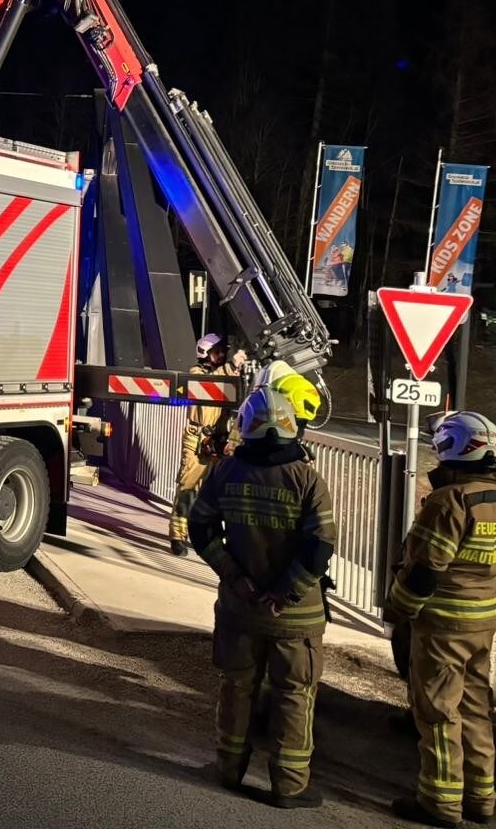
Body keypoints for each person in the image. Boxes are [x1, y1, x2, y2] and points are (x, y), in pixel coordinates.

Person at [189, 386, 337, 808]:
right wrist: (284, 593)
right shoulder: (307, 479)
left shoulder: (225, 472)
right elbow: (320, 545)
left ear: (244, 428)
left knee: (236, 686)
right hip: (295, 617)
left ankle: (228, 770)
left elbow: (201, 531)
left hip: (239, 609)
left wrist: (236, 578)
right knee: (293, 694)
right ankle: (290, 787)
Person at [385, 412, 496, 827]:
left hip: (441, 625)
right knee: (475, 709)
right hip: (484, 622)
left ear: (452, 449)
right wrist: (485, 593)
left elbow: (424, 569)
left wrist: (401, 610)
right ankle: (482, 799)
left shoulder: (450, 502)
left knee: (438, 712)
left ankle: (441, 801)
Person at [172, 333, 234, 556]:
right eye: (217, 352)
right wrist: (230, 368)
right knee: (187, 488)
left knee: (217, 493)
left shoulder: (225, 374)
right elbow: (210, 384)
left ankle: (212, 536)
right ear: (205, 353)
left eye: (223, 352)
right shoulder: (196, 374)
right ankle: (178, 536)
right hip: (197, 440)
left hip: (218, 441)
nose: (222, 356)